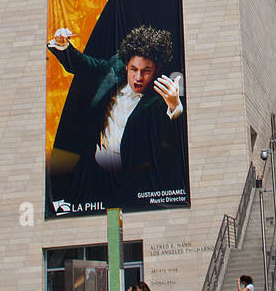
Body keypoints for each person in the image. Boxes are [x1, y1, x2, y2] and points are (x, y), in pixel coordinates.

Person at [48, 25, 185, 205]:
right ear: (126, 65)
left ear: (156, 70)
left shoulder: (161, 99)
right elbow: (82, 63)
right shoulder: (112, 69)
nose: (138, 77)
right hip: (95, 170)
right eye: (133, 69)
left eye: (146, 71)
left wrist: (175, 107)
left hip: (133, 180)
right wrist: (62, 45)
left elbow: (174, 143)